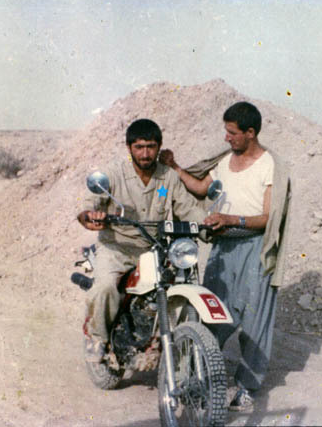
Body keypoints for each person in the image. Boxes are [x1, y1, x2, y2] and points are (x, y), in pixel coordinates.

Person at [159, 101, 292, 411]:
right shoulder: (224, 162)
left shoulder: (270, 165)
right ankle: (199, 374)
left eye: (232, 133)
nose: (226, 138)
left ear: (250, 132)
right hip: (223, 247)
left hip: (255, 248)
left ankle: (247, 386)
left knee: (255, 321)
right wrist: (175, 167)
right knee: (212, 311)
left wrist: (233, 219)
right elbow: (200, 188)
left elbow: (269, 217)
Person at [77, 118, 207, 361]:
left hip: (153, 250)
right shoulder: (113, 174)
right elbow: (89, 204)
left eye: (150, 146)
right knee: (105, 287)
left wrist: (208, 225)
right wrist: (90, 216)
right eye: (139, 147)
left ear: (159, 147)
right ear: (129, 148)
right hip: (116, 247)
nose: (145, 153)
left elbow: (188, 207)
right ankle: (97, 338)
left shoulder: (167, 178)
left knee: (175, 283)